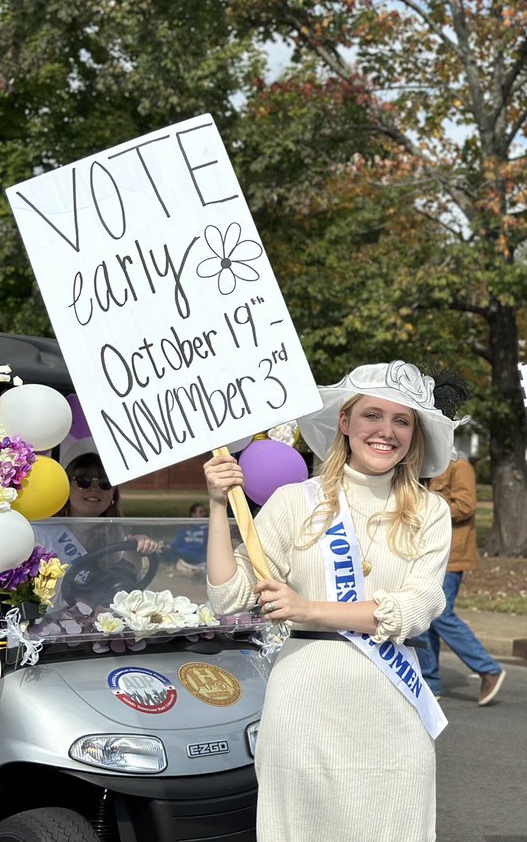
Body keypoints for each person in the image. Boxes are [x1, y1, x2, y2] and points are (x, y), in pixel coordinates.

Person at [204, 361, 459, 842]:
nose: (386, 431)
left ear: (415, 435)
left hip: (391, 707)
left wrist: (309, 609)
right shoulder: (294, 501)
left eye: (401, 421)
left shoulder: (430, 511)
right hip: (305, 707)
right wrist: (219, 505)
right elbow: (229, 596)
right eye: (372, 416)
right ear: (345, 421)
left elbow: (417, 607)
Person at [414, 455, 506, 704]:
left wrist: (426, 510)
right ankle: (429, 684)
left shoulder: (459, 466)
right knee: (423, 618)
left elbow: (466, 505)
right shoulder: (424, 463)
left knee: (441, 614)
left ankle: (488, 669)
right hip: (424, 552)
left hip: (451, 555)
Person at [34, 452, 160, 564]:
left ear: (113, 494)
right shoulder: (42, 535)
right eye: (84, 481)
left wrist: (136, 547)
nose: (95, 488)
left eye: (105, 483)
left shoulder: (118, 539)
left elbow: (128, 579)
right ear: (66, 487)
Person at [170, 503, 209, 577]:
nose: (203, 514)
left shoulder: (208, 529)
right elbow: (177, 542)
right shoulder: (186, 528)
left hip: (200, 558)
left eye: (204, 512)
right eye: (200, 512)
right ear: (193, 514)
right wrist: (168, 547)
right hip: (184, 557)